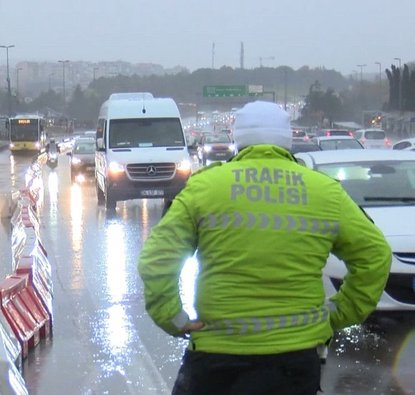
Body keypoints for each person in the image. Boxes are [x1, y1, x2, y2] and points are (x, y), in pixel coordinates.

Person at [137, 101, 391, 395]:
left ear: (237, 139)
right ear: (287, 139)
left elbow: (156, 260)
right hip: (295, 359)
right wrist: (338, 314)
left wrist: (175, 319)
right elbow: (375, 255)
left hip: (216, 355)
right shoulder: (325, 191)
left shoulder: (205, 188)